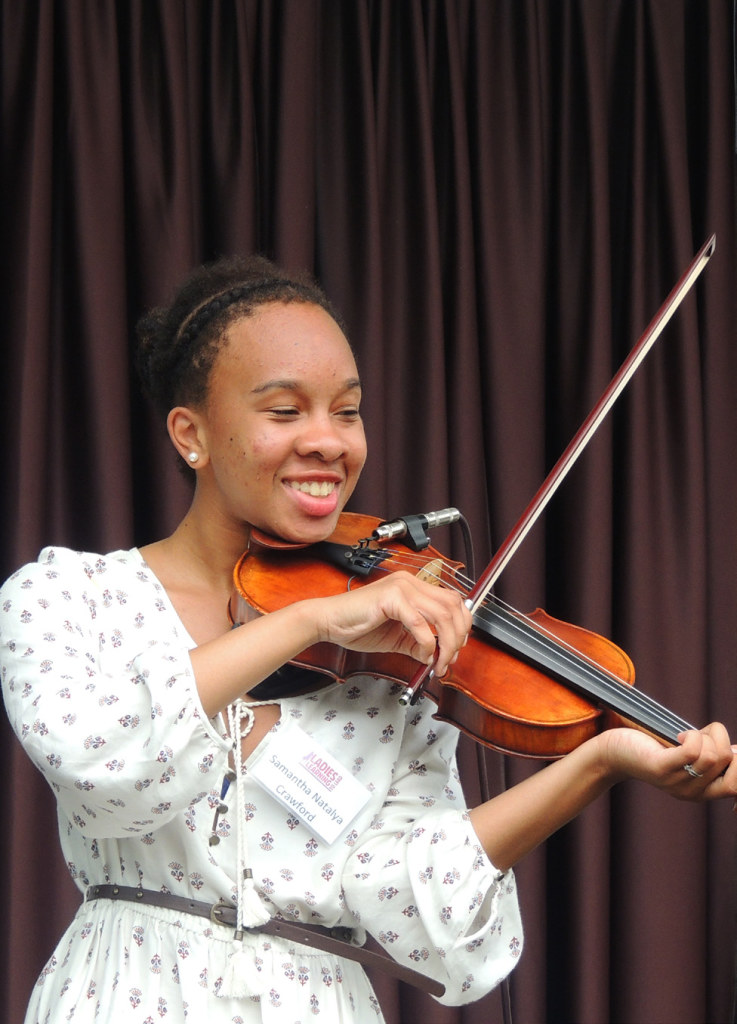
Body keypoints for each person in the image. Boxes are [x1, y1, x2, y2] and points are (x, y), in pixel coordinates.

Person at [1, 255, 735, 1023]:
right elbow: (100, 768)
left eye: (346, 411)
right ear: (192, 435)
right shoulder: (69, 596)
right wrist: (308, 621)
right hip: (125, 993)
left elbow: (407, 896)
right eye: (284, 412)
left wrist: (597, 763)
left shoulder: (392, 652)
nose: (327, 442)